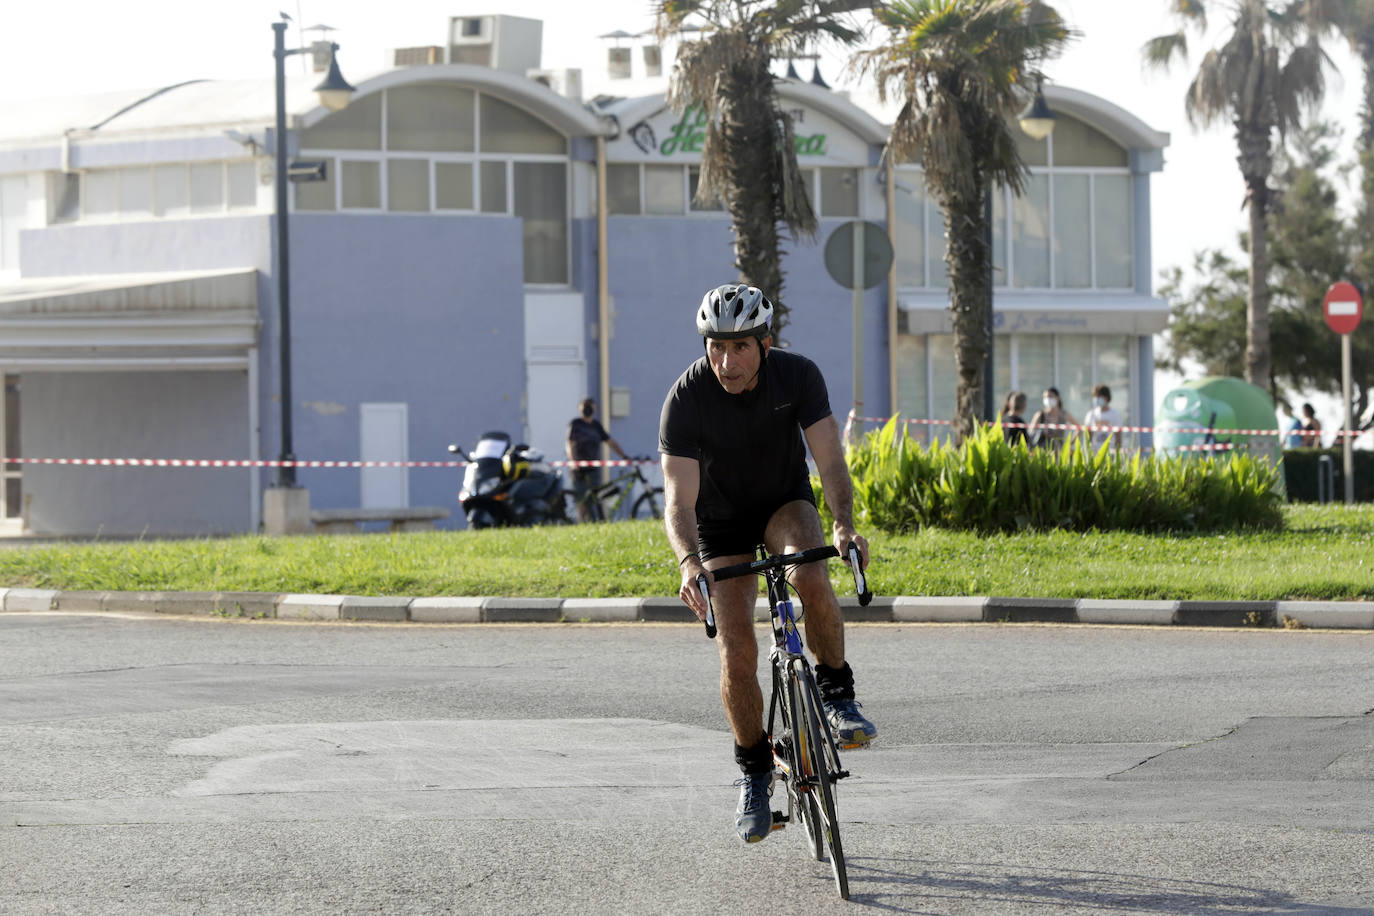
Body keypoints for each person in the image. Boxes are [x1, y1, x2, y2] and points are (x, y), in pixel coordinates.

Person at [659, 282, 876, 845]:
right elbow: (678, 500)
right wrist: (688, 562)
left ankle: (837, 696)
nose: (725, 362)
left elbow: (829, 459)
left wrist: (845, 524)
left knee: (810, 571)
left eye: (740, 348)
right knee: (736, 650)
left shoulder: (797, 376)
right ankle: (755, 771)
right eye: (715, 347)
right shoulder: (686, 398)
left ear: (765, 343)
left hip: (784, 502)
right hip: (721, 521)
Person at [566, 398, 629, 521]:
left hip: (593, 469)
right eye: (585, 406)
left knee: (595, 498)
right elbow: (570, 443)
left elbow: (610, 442)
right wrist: (573, 461)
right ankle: (580, 522)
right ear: (580, 408)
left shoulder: (596, 425)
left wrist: (624, 456)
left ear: (594, 408)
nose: (587, 408)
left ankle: (596, 521)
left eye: (590, 406)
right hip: (579, 469)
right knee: (582, 499)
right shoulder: (575, 424)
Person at [1027, 387, 1077, 451]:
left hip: (1059, 451)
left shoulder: (1064, 414)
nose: (1047, 399)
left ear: (1057, 398)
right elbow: (1030, 432)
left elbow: (1078, 428)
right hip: (1043, 450)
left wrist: (1069, 443)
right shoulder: (1040, 414)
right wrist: (1042, 433)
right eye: (1045, 397)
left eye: (1050, 396)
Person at [1083, 384, 1123, 454]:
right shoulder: (1091, 414)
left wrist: (1118, 453)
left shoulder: (1115, 414)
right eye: (1095, 397)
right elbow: (1088, 437)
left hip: (1110, 452)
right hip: (1095, 452)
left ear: (1106, 397)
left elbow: (1118, 436)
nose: (1096, 399)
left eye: (1099, 396)